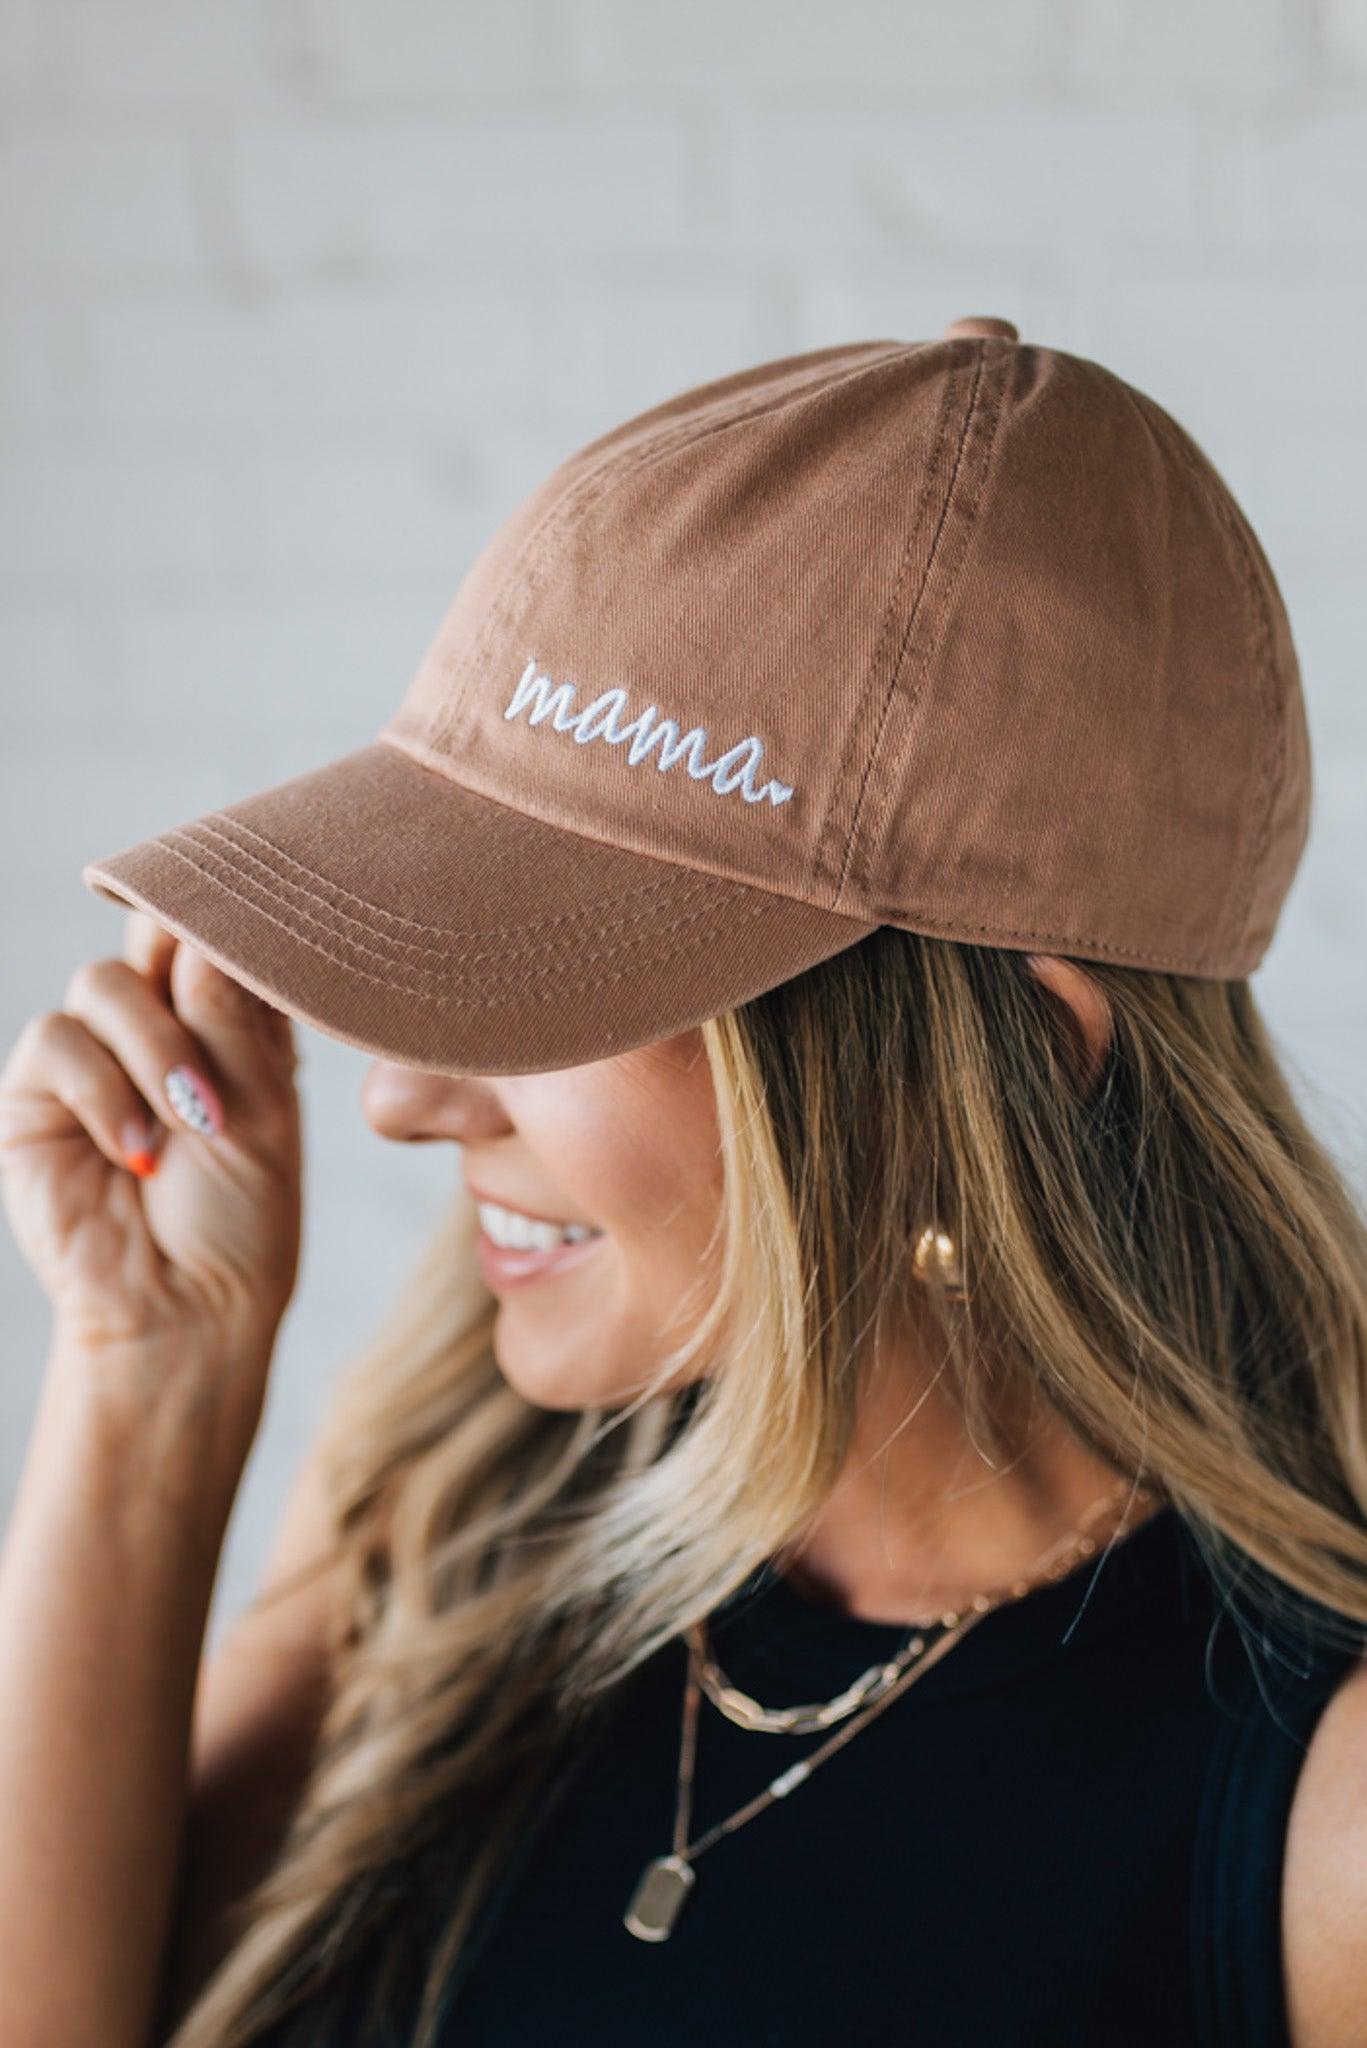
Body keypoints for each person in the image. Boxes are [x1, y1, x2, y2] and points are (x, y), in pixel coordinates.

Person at [0, 318, 1364, 2048]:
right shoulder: (460, 1509)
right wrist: (150, 1376)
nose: (401, 1102)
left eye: (547, 979)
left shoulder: (1317, 1810)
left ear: (1011, 1066)